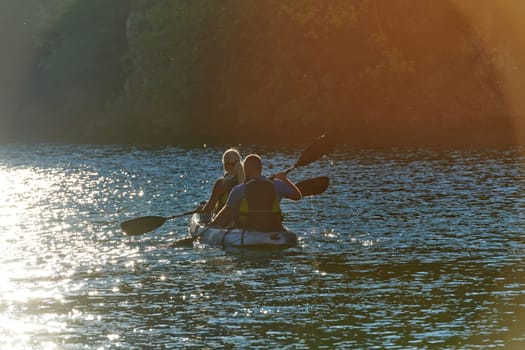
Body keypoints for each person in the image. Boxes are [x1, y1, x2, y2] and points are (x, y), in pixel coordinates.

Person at [209, 154, 302, 231]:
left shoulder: (239, 189)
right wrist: (285, 179)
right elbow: (298, 196)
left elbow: (225, 213)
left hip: (247, 229)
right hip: (273, 228)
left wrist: (211, 225)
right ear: (261, 168)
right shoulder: (278, 185)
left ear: (245, 169)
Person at [199, 148, 245, 216]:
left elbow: (209, 207)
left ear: (225, 164)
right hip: (240, 220)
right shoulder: (246, 180)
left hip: (223, 220)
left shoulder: (221, 182)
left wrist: (201, 210)